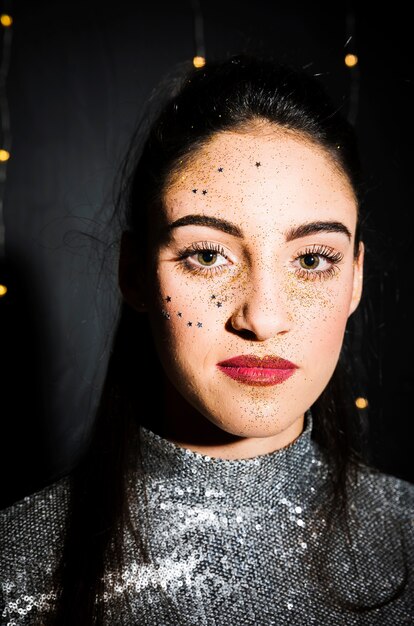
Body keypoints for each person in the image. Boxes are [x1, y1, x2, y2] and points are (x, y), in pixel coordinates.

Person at [1, 52, 414, 626]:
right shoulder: (15, 567)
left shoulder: (407, 535)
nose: (263, 318)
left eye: (314, 259)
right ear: (135, 274)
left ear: (355, 279)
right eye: (207, 255)